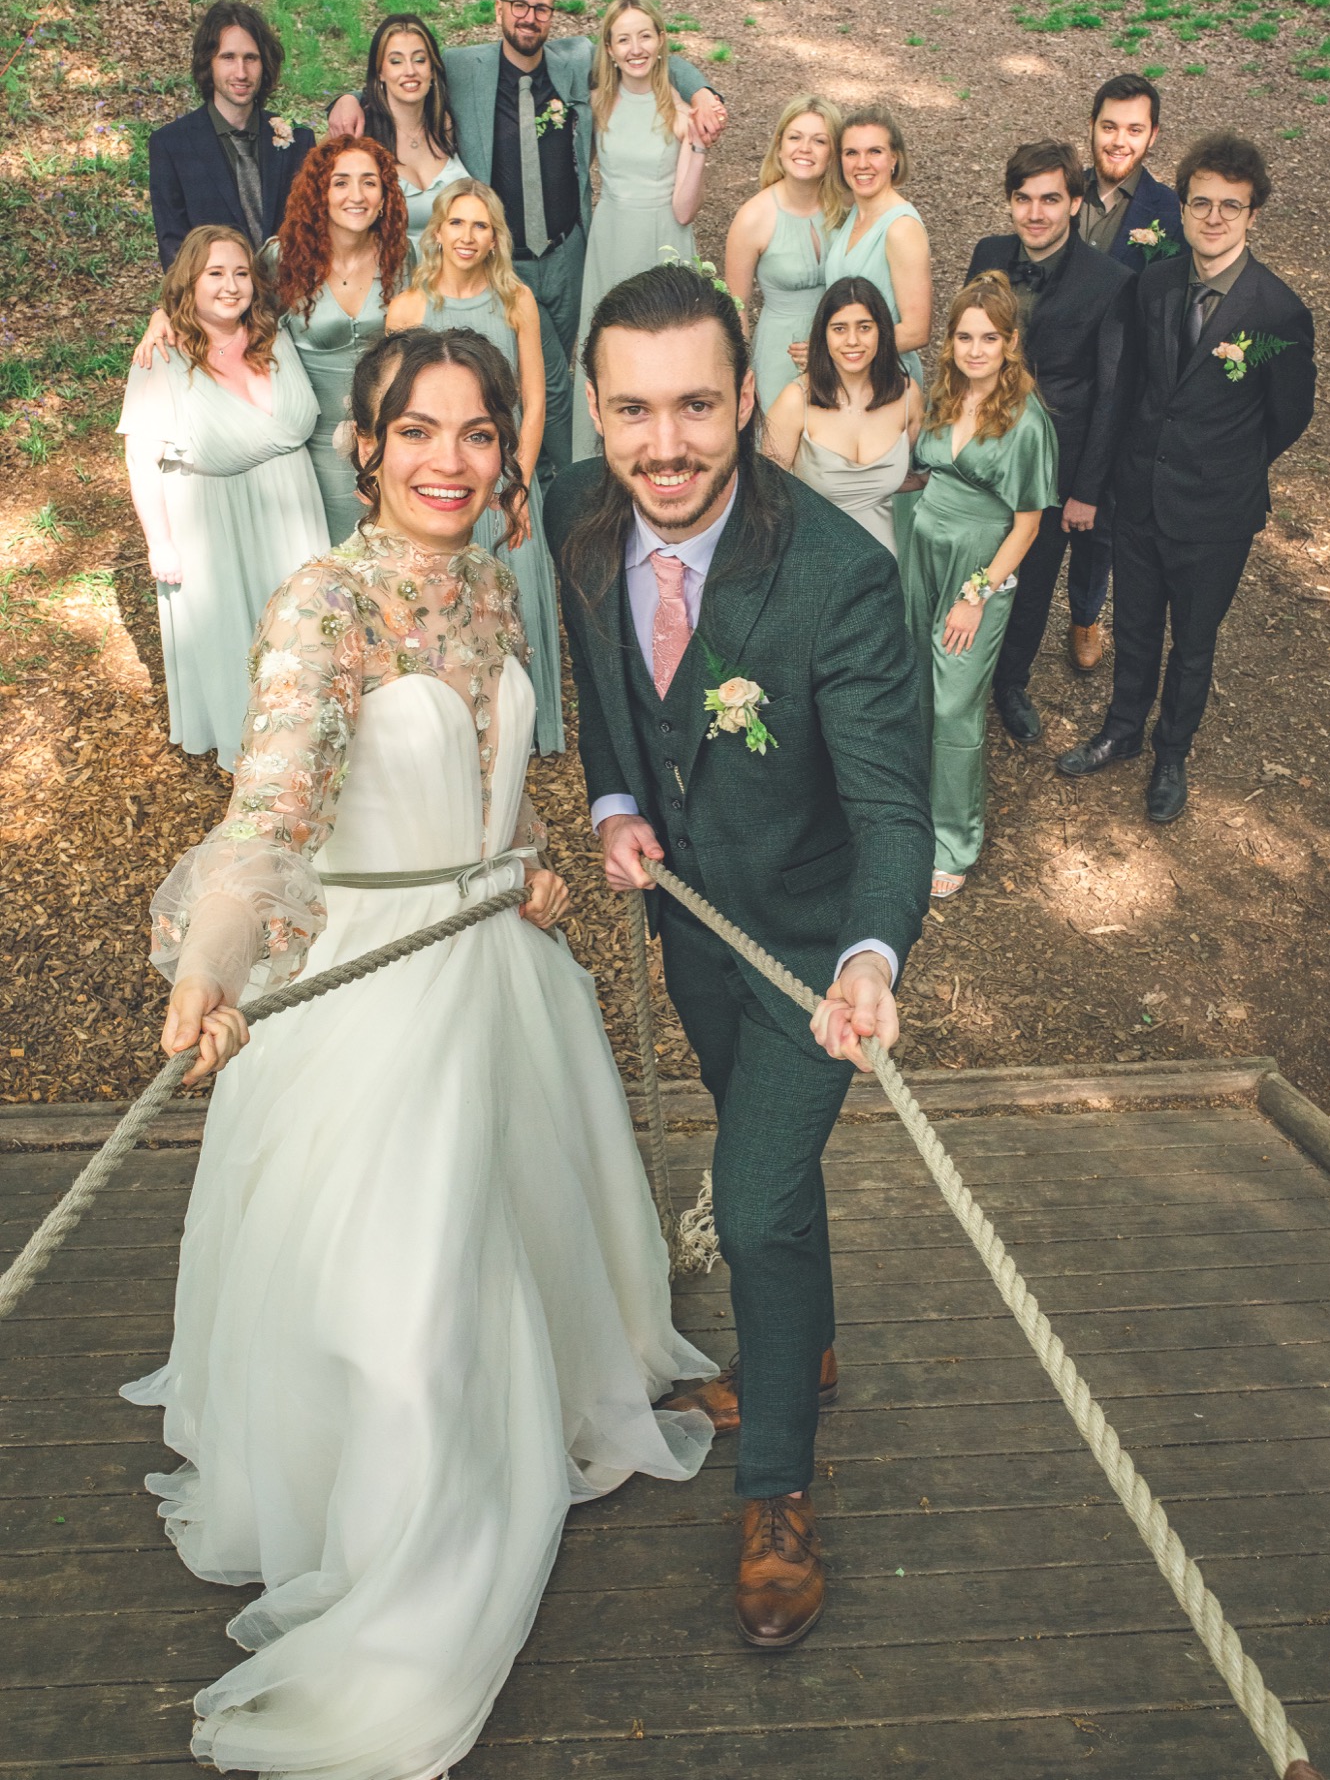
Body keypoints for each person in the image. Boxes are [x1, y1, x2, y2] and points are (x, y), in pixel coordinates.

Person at [124, 325, 714, 1780]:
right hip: (372, 989)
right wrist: (208, 973)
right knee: (402, 1306)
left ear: (503, 453)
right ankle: (410, 1556)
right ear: (365, 445)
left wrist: (524, 860)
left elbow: (486, 773)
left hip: (496, 967)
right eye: (417, 431)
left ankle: (522, 1417)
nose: (449, 461)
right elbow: (271, 814)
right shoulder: (323, 605)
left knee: (509, 1237)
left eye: (477, 433)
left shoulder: (496, 589)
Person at [546, 263, 933, 1650]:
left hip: (814, 951)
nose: (666, 444)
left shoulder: (840, 576)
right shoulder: (576, 517)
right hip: (690, 928)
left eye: (697, 406)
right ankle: (796, 1353)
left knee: (755, 1200)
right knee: (767, 1181)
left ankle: (775, 1485)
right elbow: (606, 690)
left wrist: (873, 956)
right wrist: (611, 802)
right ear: (596, 410)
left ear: (747, 397)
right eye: (634, 410)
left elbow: (894, 809)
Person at [328, 0, 726, 483]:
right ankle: (552, 481)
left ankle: (582, 477)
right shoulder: (465, 67)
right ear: (499, 9)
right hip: (500, 261)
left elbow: (650, 55)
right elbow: (403, 70)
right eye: (518, 5)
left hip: (570, 252)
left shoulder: (575, 60)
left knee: (585, 365)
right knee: (543, 383)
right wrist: (346, 99)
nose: (528, 17)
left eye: (540, 8)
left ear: (552, 14)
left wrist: (702, 92)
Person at [1058, 132, 1316, 823]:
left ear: (1252, 213)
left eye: (1230, 205)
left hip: (1216, 511)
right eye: (1200, 202)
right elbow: (1132, 385)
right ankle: (1121, 730)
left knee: (1193, 643)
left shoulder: (1278, 312)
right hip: (1141, 495)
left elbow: (1288, 417)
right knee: (1135, 626)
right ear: (1181, 206)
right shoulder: (1155, 284)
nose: (1213, 217)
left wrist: (1223, 461)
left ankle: (1171, 754)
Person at [135, 136, 414, 549]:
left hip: (391, 439)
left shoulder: (405, 257)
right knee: (329, 562)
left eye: (369, 182)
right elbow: (228, 305)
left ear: (385, 195)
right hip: (314, 447)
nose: (356, 195)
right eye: (340, 182)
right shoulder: (283, 259)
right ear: (320, 193)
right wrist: (164, 314)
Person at [119, 227, 327, 774]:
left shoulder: (274, 337)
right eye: (215, 273)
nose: (231, 286)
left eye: (240, 273)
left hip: (294, 512)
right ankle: (254, 752)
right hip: (217, 524)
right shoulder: (161, 357)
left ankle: (308, 734)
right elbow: (141, 459)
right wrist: (160, 543)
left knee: (303, 630)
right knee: (235, 636)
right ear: (189, 281)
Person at [388, 178, 563, 754]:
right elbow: (397, 410)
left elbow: (533, 399)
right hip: (439, 479)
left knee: (513, 598)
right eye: (457, 223)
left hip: (506, 474)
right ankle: (454, 727)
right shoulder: (408, 310)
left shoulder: (516, 301)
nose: (467, 236)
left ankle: (518, 729)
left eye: (480, 225)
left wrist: (518, 483)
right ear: (437, 231)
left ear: (495, 238)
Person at [900, 273, 1058, 898]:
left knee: (954, 704)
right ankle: (911, 809)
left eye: (989, 338)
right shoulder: (944, 394)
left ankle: (954, 839)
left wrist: (975, 597)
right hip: (923, 551)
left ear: (1010, 343)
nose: (975, 350)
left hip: (978, 568)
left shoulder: (1025, 420)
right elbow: (924, 472)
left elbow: (1028, 525)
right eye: (965, 337)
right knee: (915, 683)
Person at [966, 138, 1133, 724]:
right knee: (971, 558)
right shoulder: (988, 252)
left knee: (1033, 578)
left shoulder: (1110, 281)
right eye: (1023, 199)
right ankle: (960, 670)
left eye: (1050, 199)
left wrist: (1087, 490)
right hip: (978, 443)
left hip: (1055, 459)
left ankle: (1010, 683)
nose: (1035, 213)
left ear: (1075, 203)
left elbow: (1111, 394)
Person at [570, 0, 712, 461]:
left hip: (663, 234)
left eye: (645, 36)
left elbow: (685, 209)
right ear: (609, 49)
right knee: (609, 347)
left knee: (667, 344)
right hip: (612, 236)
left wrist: (697, 147)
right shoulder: (597, 105)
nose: (636, 49)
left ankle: (668, 450)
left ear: (661, 40)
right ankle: (600, 457)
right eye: (624, 39)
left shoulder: (680, 111)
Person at [148, 0, 315, 269]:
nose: (241, 72)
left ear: (265, 63)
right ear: (208, 63)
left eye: (251, 58)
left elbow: (313, 232)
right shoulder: (171, 145)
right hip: (215, 293)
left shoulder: (299, 140)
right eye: (228, 57)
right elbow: (174, 251)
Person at [763, 276, 923, 556]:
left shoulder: (907, 396)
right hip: (816, 557)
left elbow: (907, 475)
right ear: (823, 335)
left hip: (883, 560)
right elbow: (767, 495)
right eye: (839, 328)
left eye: (864, 327)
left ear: (882, 331)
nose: (852, 341)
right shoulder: (796, 400)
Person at [724, 94, 845, 414]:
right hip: (782, 351)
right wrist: (741, 375)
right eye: (795, 137)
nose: (805, 148)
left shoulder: (847, 210)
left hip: (844, 346)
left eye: (819, 141)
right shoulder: (753, 217)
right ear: (779, 146)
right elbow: (737, 306)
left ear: (833, 153)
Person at [824, 103, 932, 388]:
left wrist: (826, 352)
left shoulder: (901, 228)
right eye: (851, 153)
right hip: (848, 376)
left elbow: (917, 331)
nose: (862, 164)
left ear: (894, 158)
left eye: (875, 151)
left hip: (886, 381)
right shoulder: (854, 215)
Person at [357, 12, 471, 245]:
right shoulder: (358, 135)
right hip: (390, 265)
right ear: (380, 72)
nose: (410, 71)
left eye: (419, 60)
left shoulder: (450, 125)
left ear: (432, 69)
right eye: (396, 61)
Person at [1080, 72, 1184, 272]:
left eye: (1134, 130)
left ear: (1152, 135)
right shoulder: (1063, 192)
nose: (1119, 142)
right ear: (1092, 127)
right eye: (1109, 127)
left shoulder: (1169, 209)